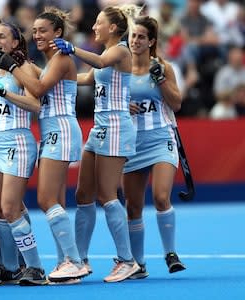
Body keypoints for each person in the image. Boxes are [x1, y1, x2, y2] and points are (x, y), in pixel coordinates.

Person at [0, 7, 87, 284]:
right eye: (35, 31)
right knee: (52, 201)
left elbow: (38, 92)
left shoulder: (58, 58)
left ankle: (74, 261)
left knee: (45, 199)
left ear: (58, 33)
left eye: (43, 30)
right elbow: (46, 81)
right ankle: (66, 262)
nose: (37, 35)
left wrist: (9, 68)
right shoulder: (46, 63)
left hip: (57, 129)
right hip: (48, 132)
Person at [51, 5, 141, 282]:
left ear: (113, 27)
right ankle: (80, 259)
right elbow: (86, 78)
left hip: (115, 127)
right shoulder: (105, 52)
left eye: (99, 23)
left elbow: (99, 65)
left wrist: (73, 49)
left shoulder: (121, 51)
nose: (94, 28)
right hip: (100, 127)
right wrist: (50, 80)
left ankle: (128, 261)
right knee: (83, 195)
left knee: (106, 195)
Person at [0, 22, 43, 285]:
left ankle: (36, 267)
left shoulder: (23, 68)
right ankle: (11, 267)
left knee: (10, 208)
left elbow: (35, 104)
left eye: (2, 37)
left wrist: (4, 91)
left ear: (15, 42)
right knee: (0, 209)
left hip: (19, 139)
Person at [123, 15, 186, 279]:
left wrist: (160, 80)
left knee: (161, 197)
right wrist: (124, 107)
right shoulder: (120, 69)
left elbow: (177, 103)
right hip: (131, 143)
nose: (135, 41)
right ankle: (138, 263)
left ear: (151, 42)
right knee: (133, 206)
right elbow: (107, 104)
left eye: (141, 37)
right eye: (133, 36)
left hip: (160, 139)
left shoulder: (163, 67)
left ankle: (170, 253)